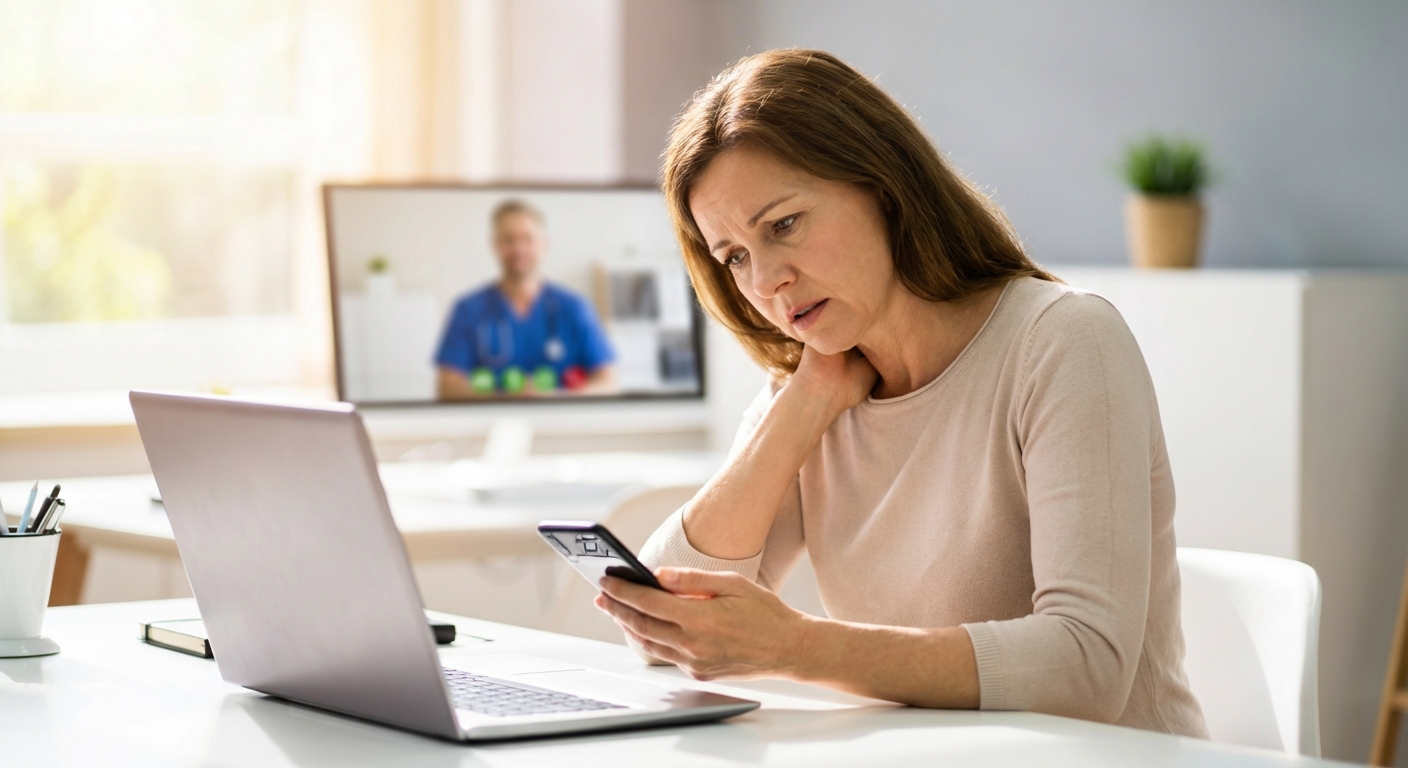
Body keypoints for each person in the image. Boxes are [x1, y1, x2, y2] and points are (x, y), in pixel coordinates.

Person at [592, 49, 1209, 737]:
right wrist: (805, 404)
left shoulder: (1063, 342)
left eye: (784, 225)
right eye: (733, 255)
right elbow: (657, 623)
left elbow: (1086, 667)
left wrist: (796, 646)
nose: (765, 280)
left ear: (884, 186)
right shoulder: (815, 385)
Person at [435, 199, 615, 399]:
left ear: (544, 244)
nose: (518, 249)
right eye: (509, 240)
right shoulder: (468, 309)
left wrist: (554, 398)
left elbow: (608, 382)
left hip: (563, 424)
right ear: (495, 245)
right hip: (489, 424)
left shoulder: (574, 307)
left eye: (527, 239)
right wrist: (508, 399)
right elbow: (448, 387)